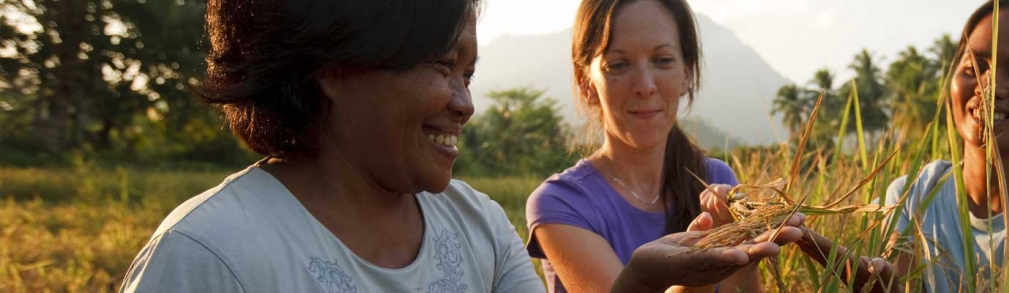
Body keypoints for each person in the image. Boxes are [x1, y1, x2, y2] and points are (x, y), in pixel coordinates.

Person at [118, 0, 803, 291]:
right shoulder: (213, 255)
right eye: (442, 67)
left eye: (469, 73)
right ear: (334, 65)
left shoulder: (476, 229)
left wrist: (641, 281)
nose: (464, 103)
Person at [763, 0, 1009, 292]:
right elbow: (895, 287)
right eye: (973, 68)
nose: (988, 89)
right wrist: (805, 239)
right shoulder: (918, 192)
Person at [524, 0, 767, 292]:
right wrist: (704, 263)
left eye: (663, 60)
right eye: (619, 65)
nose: (645, 85)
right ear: (586, 83)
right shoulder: (562, 204)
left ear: (686, 75)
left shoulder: (717, 183)